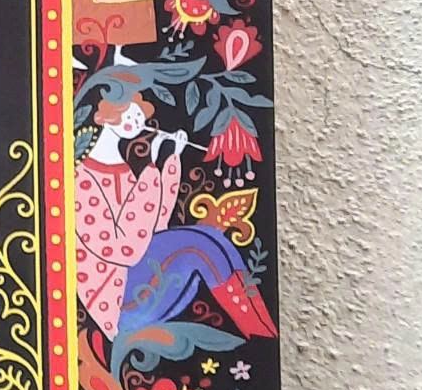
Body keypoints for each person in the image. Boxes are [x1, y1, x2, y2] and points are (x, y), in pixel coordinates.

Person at [75, 95, 274, 356]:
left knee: (208, 239)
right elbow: (126, 250)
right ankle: (257, 334)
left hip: (134, 280)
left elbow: (155, 228)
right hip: (114, 296)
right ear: (110, 114)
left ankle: (259, 329)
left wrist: (169, 162)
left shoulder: (123, 169)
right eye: (131, 115)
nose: (137, 123)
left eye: (140, 118)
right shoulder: (81, 178)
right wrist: (151, 168)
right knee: (200, 244)